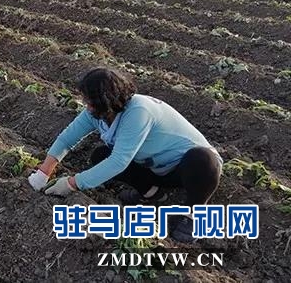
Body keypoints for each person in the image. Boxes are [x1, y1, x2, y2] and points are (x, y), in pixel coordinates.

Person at [28, 68, 223, 243]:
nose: (87, 107)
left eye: (90, 102)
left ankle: (194, 213)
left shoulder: (138, 111)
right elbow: (67, 139)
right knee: (100, 155)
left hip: (187, 169)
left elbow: (119, 161)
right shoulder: (97, 113)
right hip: (155, 166)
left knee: (204, 159)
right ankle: (153, 193)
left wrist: (72, 183)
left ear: (106, 101)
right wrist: (44, 172)